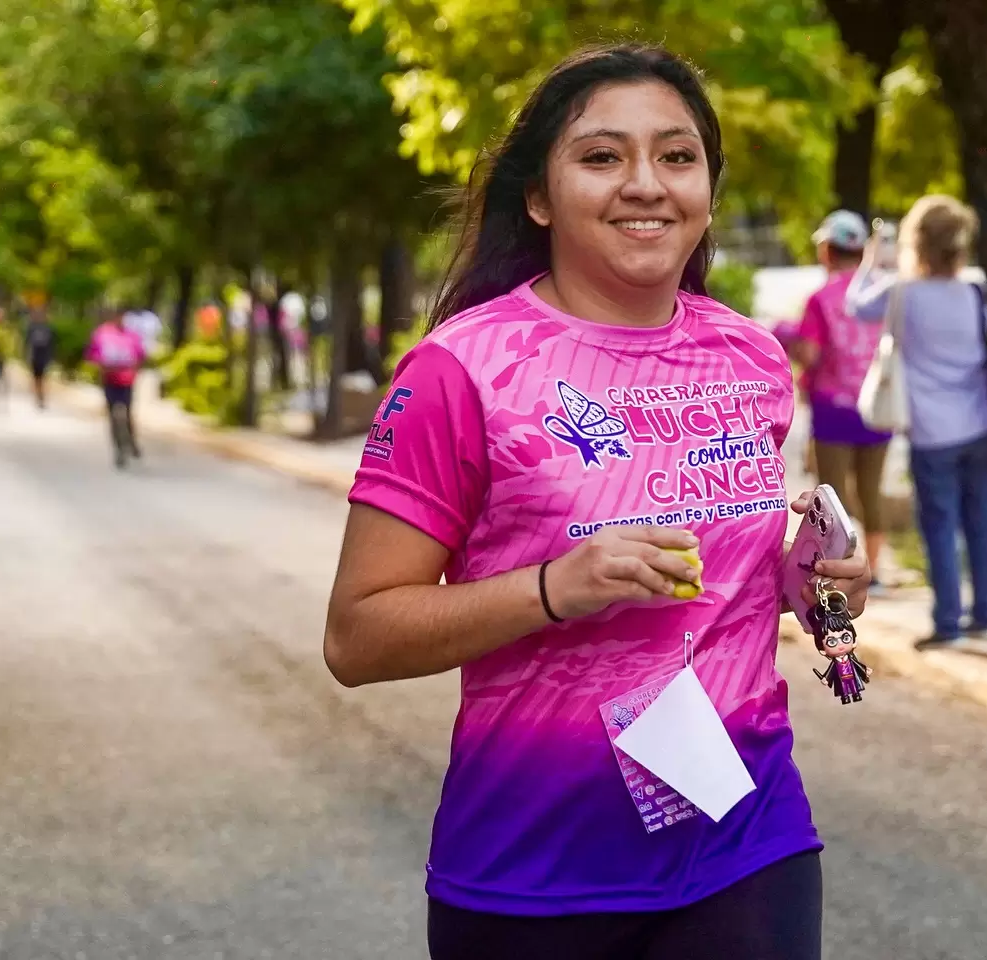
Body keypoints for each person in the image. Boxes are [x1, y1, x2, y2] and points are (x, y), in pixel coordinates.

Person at [322, 44, 870, 960]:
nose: (646, 183)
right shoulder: (461, 370)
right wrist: (553, 588)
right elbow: (356, 637)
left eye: (678, 156)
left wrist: (812, 583)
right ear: (540, 197)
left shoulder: (752, 358)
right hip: (532, 867)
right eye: (603, 156)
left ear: (708, 190)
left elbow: (729, 585)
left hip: (745, 833)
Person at [845, 195, 987, 647]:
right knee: (983, 523)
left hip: (932, 433)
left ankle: (948, 623)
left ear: (917, 242)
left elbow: (855, 305)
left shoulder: (901, 291)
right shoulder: (976, 291)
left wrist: (871, 261)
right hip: (982, 425)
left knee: (940, 527)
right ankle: (985, 613)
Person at [793, 210, 891, 589]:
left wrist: (788, 340)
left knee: (832, 495)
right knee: (871, 491)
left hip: (833, 408)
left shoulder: (820, 299)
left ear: (827, 251)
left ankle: (840, 571)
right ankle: (875, 572)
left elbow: (810, 354)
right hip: (878, 406)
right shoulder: (884, 292)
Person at [84, 305, 147, 464]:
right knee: (113, 413)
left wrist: (135, 370)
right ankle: (119, 448)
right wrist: (100, 365)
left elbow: (141, 355)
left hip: (126, 379)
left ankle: (131, 440)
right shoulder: (102, 333)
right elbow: (92, 354)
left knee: (126, 412)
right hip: (109, 379)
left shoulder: (132, 336)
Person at [24, 307, 55, 409]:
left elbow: (51, 344)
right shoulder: (31, 328)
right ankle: (37, 396)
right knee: (36, 378)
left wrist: (51, 357)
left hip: (44, 357)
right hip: (34, 356)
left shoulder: (47, 328)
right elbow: (27, 343)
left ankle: (42, 396)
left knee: (44, 378)